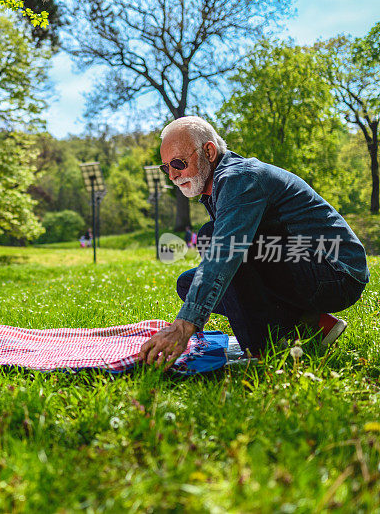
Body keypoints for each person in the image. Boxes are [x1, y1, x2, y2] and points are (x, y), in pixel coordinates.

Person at [139, 116, 369, 366]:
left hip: (335, 271)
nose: (172, 175)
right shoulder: (220, 184)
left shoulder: (239, 177)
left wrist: (184, 326)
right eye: (166, 168)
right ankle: (313, 324)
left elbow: (226, 250)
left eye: (178, 163)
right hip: (309, 266)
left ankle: (263, 352)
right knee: (188, 283)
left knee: (214, 240)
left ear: (209, 151)